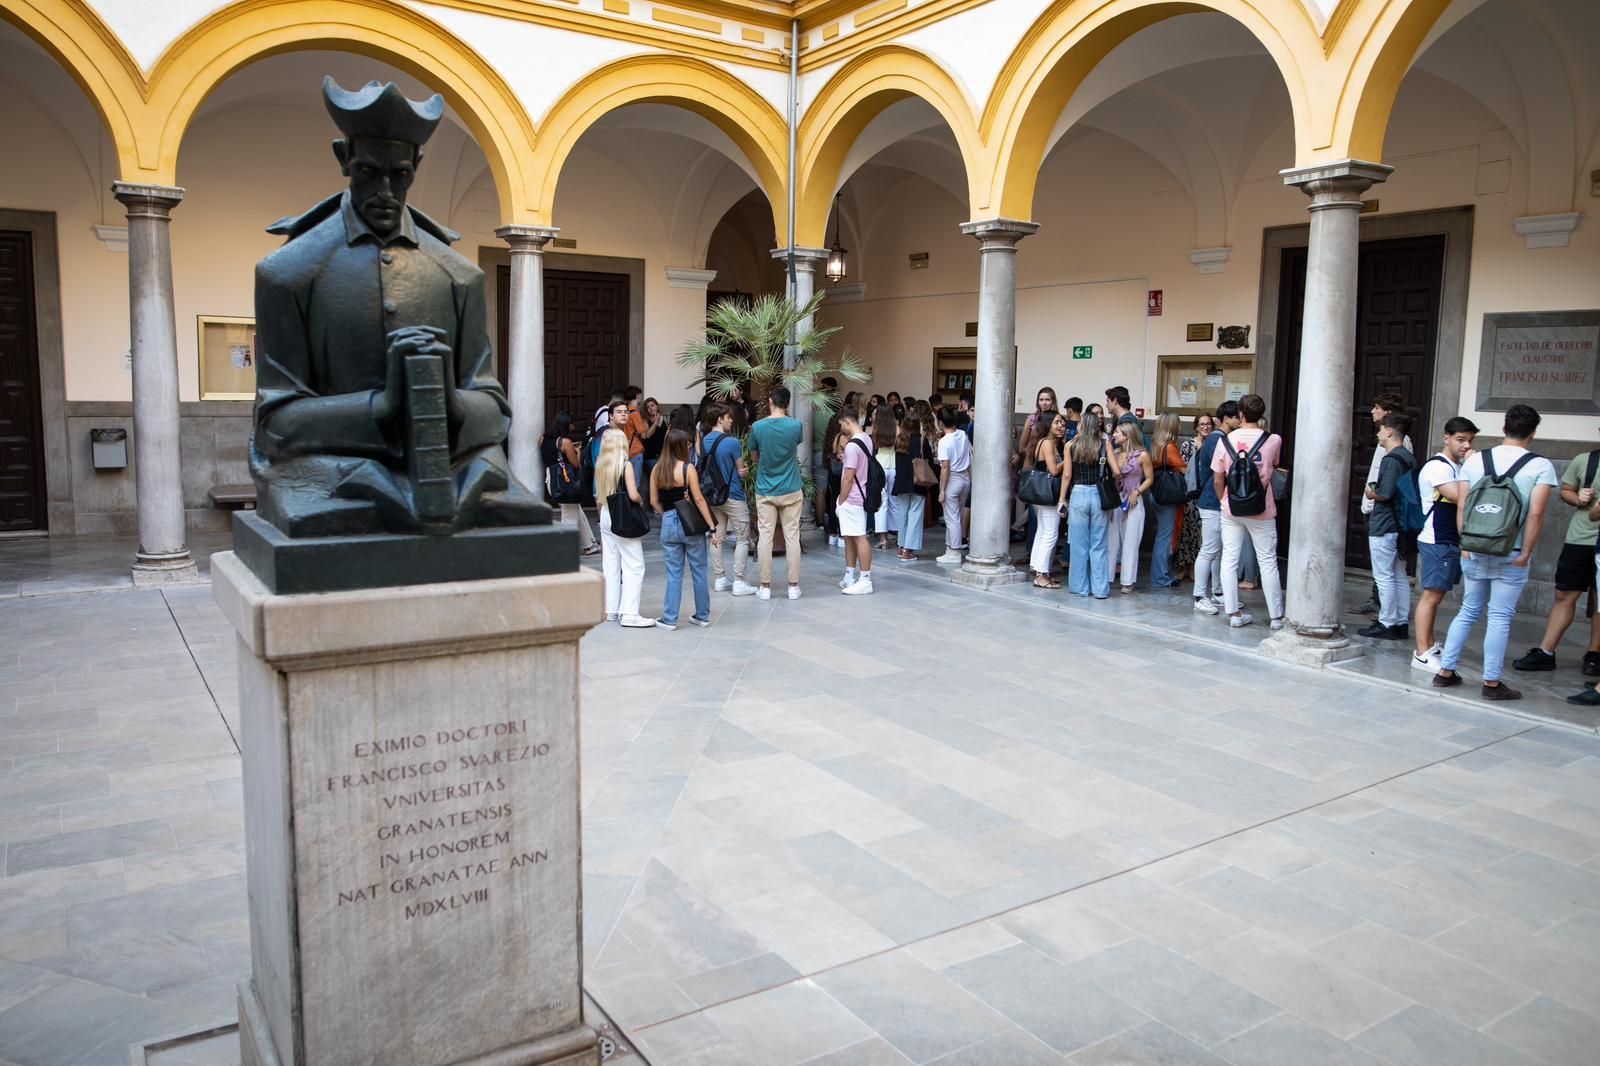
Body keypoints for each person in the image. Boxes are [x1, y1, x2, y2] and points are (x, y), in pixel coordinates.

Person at [1434, 404, 1558, 700]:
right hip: (1511, 550)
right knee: (1500, 616)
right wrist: (1526, 552)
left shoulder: (1476, 461)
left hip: (1474, 548)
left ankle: (1445, 672)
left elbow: (1462, 504)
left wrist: (1465, 544)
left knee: (1468, 610)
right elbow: (1536, 515)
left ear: (1504, 428)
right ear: (1533, 433)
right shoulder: (1540, 465)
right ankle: (1491, 683)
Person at [1512, 426, 1600, 676]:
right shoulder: (1586, 460)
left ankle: (1594, 653)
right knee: (1564, 594)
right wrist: (1578, 498)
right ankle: (1546, 651)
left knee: (1599, 601)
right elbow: (1566, 492)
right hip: (1581, 538)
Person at [1211, 394, 1285, 629]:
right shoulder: (1273, 439)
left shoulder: (1225, 441)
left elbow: (1217, 478)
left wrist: (1224, 499)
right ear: (1261, 414)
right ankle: (1276, 618)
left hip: (1231, 508)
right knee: (1268, 562)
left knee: (1229, 560)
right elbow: (1274, 466)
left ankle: (1233, 614)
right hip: (1262, 509)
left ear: (1240, 414)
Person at [1411, 417, 1478, 672]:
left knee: (1436, 596)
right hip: (1437, 538)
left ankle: (1428, 645)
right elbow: (1461, 495)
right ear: (1446, 438)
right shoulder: (1438, 467)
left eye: (1470, 440)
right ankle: (1421, 652)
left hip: (1448, 538)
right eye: (1461, 439)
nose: (1466, 445)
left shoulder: (1456, 466)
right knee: (1431, 595)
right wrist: (1474, 465)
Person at [649, 429, 717, 631]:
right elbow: (698, 499)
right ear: (681, 446)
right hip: (690, 524)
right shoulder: (688, 469)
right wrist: (712, 527)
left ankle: (669, 619)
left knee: (673, 573)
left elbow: (653, 501)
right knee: (699, 571)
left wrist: (667, 515)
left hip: (669, 522)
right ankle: (702, 616)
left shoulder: (656, 470)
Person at [1358, 413, 1416, 640]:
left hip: (1385, 523)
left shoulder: (1391, 459)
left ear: (1390, 431)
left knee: (1384, 576)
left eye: (1381, 429)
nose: (1378, 433)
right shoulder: (1408, 457)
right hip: (1400, 524)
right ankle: (1400, 621)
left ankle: (1387, 621)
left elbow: (1384, 493)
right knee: (1398, 574)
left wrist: (1371, 491)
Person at [748, 385, 806, 600]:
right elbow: (795, 446)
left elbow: (754, 457)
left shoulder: (757, 427)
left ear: (770, 401)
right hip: (791, 486)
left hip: (766, 488)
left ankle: (765, 586)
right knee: (792, 536)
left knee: (765, 537)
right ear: (788, 404)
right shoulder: (796, 425)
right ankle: (793, 585)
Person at [595, 429, 653, 628]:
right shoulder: (625, 465)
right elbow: (633, 494)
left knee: (610, 564)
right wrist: (642, 500)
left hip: (605, 513)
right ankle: (629, 613)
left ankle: (610, 610)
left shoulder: (601, 464)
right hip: (622, 514)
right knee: (634, 565)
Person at [702, 403, 754, 596]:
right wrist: (743, 470)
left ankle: (719, 578)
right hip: (732, 494)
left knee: (717, 536)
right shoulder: (732, 442)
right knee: (742, 538)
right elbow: (741, 472)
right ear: (719, 419)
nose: (731, 420)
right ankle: (739, 581)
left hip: (714, 496)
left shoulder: (704, 440)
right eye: (728, 417)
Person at [1192, 402, 1238, 615]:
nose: (1240, 421)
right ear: (1228, 418)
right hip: (1213, 501)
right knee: (1210, 549)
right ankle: (1200, 595)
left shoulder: (1215, 439)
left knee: (1217, 550)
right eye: (1238, 417)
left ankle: (1217, 592)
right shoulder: (1218, 440)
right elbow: (1222, 473)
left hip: (1214, 500)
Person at [1058, 412, 1110, 598]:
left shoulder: (1071, 445)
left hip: (1079, 493)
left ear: (1081, 425)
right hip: (1098, 494)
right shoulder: (1104, 445)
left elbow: (1066, 476)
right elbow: (1117, 471)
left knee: (1079, 544)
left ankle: (1080, 587)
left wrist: (1062, 499)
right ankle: (1100, 590)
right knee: (1099, 544)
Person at [1108, 419, 1154, 594]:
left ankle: (1128, 580)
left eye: (1117, 433)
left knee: (1131, 541)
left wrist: (1138, 491)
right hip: (1116, 499)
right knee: (1112, 540)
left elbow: (1150, 478)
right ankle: (1108, 575)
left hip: (1133, 500)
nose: (1114, 435)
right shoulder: (1115, 453)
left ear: (1127, 436)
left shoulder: (1142, 455)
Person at [547, 411, 599, 557]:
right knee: (569, 516)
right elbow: (575, 464)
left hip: (551, 478)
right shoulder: (565, 442)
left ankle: (589, 545)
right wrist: (578, 451)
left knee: (577, 512)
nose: (573, 427)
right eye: (571, 424)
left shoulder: (544, 439)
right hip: (565, 481)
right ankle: (565, 549)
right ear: (566, 425)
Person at [837, 410, 876, 595]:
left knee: (858, 537)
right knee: (850, 536)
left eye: (841, 424)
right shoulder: (867, 439)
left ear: (846, 421)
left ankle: (865, 579)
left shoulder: (852, 446)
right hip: (862, 494)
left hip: (852, 497)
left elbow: (848, 477)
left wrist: (841, 500)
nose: (841, 429)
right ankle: (849, 575)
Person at [1148, 412, 1186, 589]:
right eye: (1177, 424)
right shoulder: (1169, 447)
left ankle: (1160, 575)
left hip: (1156, 493)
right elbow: (1184, 470)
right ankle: (1161, 578)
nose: (1179, 427)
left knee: (1161, 536)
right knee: (1164, 537)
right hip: (1168, 496)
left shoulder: (1155, 444)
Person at [1029, 413, 1067, 588]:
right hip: (1047, 494)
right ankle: (1041, 574)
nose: (1060, 426)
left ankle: (1038, 568)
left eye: (1062, 422)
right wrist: (1069, 459)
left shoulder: (1044, 442)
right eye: (1056, 422)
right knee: (1050, 533)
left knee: (1042, 531)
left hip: (1040, 494)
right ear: (1047, 424)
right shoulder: (1048, 443)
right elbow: (1053, 470)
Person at [1173, 413, 1212, 580]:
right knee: (1186, 531)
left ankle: (1196, 568)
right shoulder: (1188, 445)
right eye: (1202, 424)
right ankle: (1184, 567)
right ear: (1196, 426)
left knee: (1201, 534)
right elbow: (1182, 468)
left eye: (1208, 424)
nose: (1205, 427)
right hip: (1190, 494)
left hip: (1206, 494)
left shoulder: (1214, 445)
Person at [894, 411, 933, 562]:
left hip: (901, 483)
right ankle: (907, 551)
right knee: (915, 516)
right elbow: (929, 459)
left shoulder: (899, 440)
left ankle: (901, 545)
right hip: (918, 482)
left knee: (902, 515)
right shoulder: (922, 441)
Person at [936, 407, 972, 562]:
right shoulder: (963, 434)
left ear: (941, 422)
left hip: (953, 479)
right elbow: (971, 456)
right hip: (965, 479)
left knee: (952, 518)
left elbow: (945, 467)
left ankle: (954, 551)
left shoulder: (944, 441)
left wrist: (942, 490)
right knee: (956, 514)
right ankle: (950, 548)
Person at [872, 406, 898, 551]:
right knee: (895, 502)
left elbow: (875, 446)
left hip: (880, 465)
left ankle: (883, 539)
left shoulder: (876, 430)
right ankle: (899, 536)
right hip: (894, 465)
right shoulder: (897, 429)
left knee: (881, 503)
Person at [639, 397, 666, 479]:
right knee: (654, 479)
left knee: (662, 480)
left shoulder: (662, 417)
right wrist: (655, 422)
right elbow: (647, 435)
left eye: (652, 405)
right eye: (648, 407)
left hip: (662, 455)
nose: (651, 408)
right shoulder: (644, 420)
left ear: (657, 406)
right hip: (650, 456)